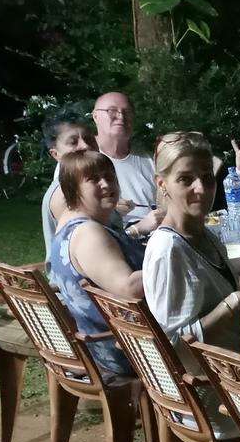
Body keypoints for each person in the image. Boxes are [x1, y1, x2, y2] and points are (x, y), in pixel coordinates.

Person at [143, 133, 240, 378]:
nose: (200, 188)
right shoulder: (168, 250)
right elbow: (173, 345)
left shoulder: (206, 234)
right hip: (215, 389)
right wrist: (234, 303)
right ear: (162, 184)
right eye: (186, 179)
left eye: (207, 177)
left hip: (238, 369)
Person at [47, 151, 146, 377]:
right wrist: (172, 263)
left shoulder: (68, 221)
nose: (106, 183)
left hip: (106, 344)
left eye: (110, 176)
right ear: (72, 188)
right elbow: (129, 289)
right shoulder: (88, 233)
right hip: (127, 351)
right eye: (93, 179)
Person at [90, 91, 160, 228]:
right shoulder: (80, 158)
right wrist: (109, 210)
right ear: (95, 116)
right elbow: (70, 210)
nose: (121, 116)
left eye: (127, 112)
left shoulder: (147, 158)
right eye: (112, 111)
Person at [39, 104, 102, 254]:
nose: (85, 145)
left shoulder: (88, 183)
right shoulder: (65, 195)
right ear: (55, 154)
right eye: (73, 142)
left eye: (88, 139)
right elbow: (89, 254)